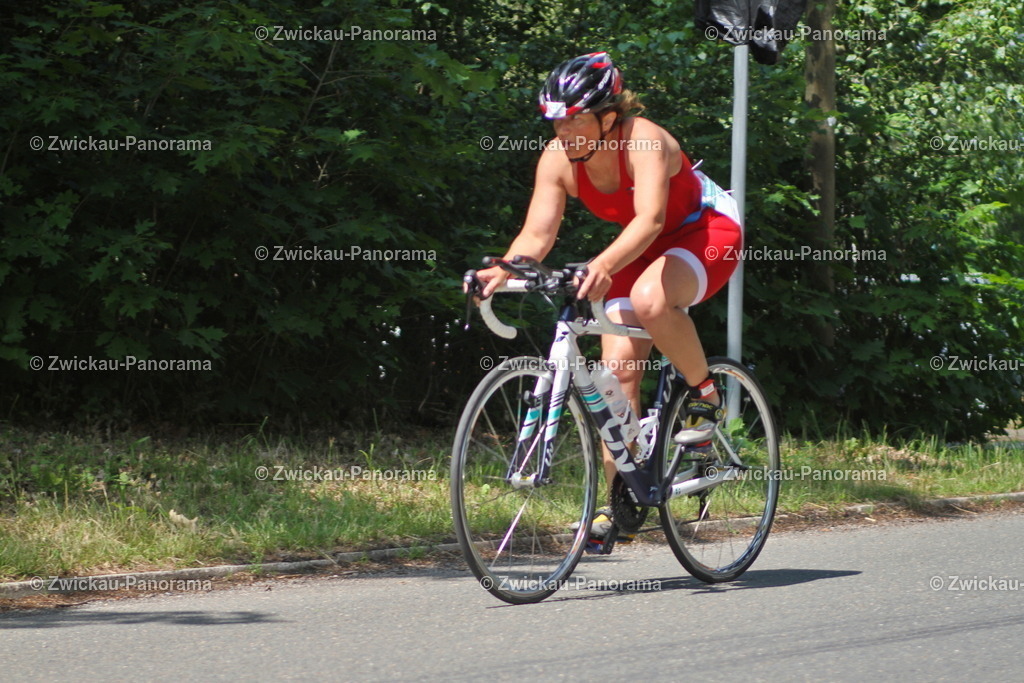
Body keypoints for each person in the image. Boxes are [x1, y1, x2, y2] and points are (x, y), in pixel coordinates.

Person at [475, 52, 743, 542]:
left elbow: (651, 221)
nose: (563, 130)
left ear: (608, 117)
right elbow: (537, 235)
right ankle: (619, 500)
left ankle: (706, 396)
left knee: (650, 301)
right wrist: (500, 270)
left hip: (704, 231)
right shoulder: (559, 159)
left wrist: (600, 265)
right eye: (556, 121)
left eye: (574, 119)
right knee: (616, 377)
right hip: (637, 250)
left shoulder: (644, 138)